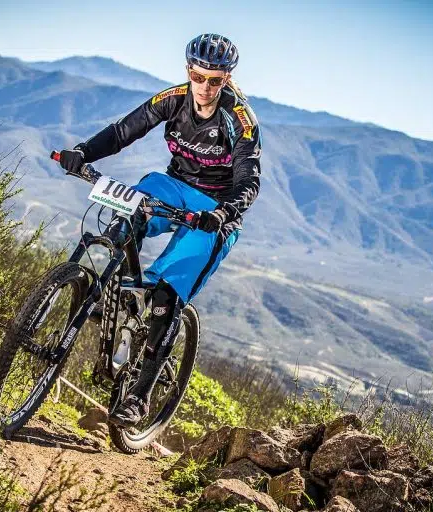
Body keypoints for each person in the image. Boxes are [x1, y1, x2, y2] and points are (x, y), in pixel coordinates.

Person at [58, 33, 261, 427]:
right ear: (189, 71)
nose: (204, 87)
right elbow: (123, 131)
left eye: (214, 81)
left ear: (226, 80)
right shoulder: (172, 99)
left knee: (168, 294)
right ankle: (112, 294)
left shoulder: (239, 119)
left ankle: (140, 396)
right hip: (173, 187)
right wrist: (82, 152)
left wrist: (225, 213)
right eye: (198, 77)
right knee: (127, 216)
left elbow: (249, 178)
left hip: (215, 211)